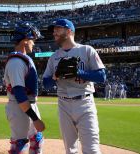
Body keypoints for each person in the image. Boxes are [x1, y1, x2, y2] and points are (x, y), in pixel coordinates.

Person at [43, 19, 106, 154]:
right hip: (63, 104)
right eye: (53, 30)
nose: (54, 32)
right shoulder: (54, 57)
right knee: (70, 150)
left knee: (92, 149)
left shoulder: (86, 50)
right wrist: (55, 76)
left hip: (85, 103)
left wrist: (79, 73)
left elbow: (101, 76)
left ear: (69, 31)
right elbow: (46, 84)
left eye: (57, 29)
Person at [4, 21, 45, 154]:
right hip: (19, 107)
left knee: (37, 140)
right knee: (20, 145)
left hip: (28, 105)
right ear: (25, 41)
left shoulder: (23, 59)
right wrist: (35, 119)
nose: (34, 43)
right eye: (33, 40)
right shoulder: (16, 62)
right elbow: (20, 94)